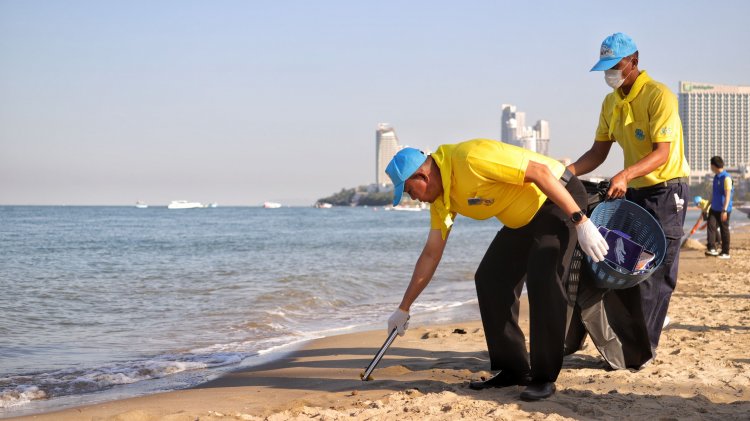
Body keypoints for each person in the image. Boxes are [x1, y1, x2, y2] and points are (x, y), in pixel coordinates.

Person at [384, 139, 608, 401]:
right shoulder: (441, 200)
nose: (415, 198)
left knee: (543, 277)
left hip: (557, 198)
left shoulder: (470, 159)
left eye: (411, 191)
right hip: (522, 218)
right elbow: (431, 254)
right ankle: (514, 369)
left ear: (422, 174)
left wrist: (580, 221)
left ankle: (544, 377)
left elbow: (541, 173)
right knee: (491, 279)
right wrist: (404, 308)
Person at [567, 32, 690, 354]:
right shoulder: (611, 102)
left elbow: (662, 152)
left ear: (633, 61)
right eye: (605, 67)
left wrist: (625, 173)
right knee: (622, 265)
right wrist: (565, 174)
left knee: (654, 273)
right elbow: (598, 152)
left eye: (615, 65)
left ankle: (641, 350)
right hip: (634, 191)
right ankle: (622, 341)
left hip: (666, 191)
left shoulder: (658, 95)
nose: (610, 73)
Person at [705, 156, 733, 259]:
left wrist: (724, 210)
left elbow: (728, 195)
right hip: (714, 208)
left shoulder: (726, 178)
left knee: (723, 229)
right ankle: (712, 248)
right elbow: (713, 194)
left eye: (711, 165)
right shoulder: (716, 177)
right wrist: (707, 206)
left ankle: (726, 252)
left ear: (713, 165)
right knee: (711, 226)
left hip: (723, 209)